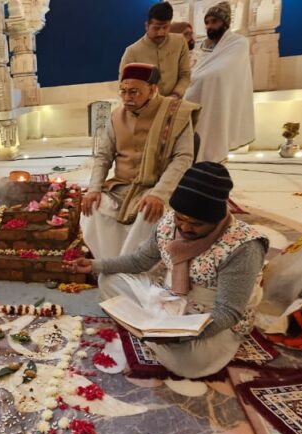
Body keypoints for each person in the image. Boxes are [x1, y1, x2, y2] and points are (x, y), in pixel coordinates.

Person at [67, 162, 267, 380]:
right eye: (181, 218)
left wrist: (181, 336)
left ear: (216, 218)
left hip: (209, 318)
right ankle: (155, 333)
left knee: (191, 364)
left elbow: (228, 313)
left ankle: (151, 334)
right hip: (170, 296)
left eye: (196, 224)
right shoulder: (169, 222)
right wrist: (96, 265)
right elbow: (139, 261)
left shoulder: (243, 247)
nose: (185, 228)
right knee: (108, 280)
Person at [80, 63, 198, 261]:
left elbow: (183, 158)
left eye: (134, 92)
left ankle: (136, 268)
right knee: (93, 209)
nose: (127, 98)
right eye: (123, 92)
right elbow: (103, 156)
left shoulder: (176, 115)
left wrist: (159, 194)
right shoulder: (116, 116)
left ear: (152, 90)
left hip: (157, 187)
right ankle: (109, 263)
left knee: (148, 214)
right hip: (121, 188)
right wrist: (94, 188)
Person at [185, 2, 255, 163]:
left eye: (214, 21)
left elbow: (221, 71)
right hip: (199, 96)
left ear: (225, 23)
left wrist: (198, 77)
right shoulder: (202, 47)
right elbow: (196, 69)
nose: (209, 26)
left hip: (220, 100)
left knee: (213, 144)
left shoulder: (238, 43)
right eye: (207, 22)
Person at [119, 2, 191, 98]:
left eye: (165, 27)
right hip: (145, 108)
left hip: (176, 102)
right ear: (146, 26)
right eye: (156, 28)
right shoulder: (132, 52)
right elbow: (124, 85)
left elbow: (185, 75)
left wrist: (175, 95)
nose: (161, 32)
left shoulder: (180, 42)